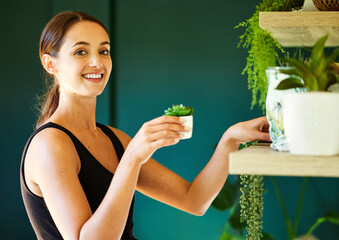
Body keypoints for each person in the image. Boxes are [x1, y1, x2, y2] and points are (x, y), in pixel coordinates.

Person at [20, 11, 271, 240]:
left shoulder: (115, 139)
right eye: (81, 52)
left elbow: (194, 201)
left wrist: (230, 140)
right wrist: (132, 158)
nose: (97, 62)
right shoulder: (50, 144)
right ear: (51, 64)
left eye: (104, 51)